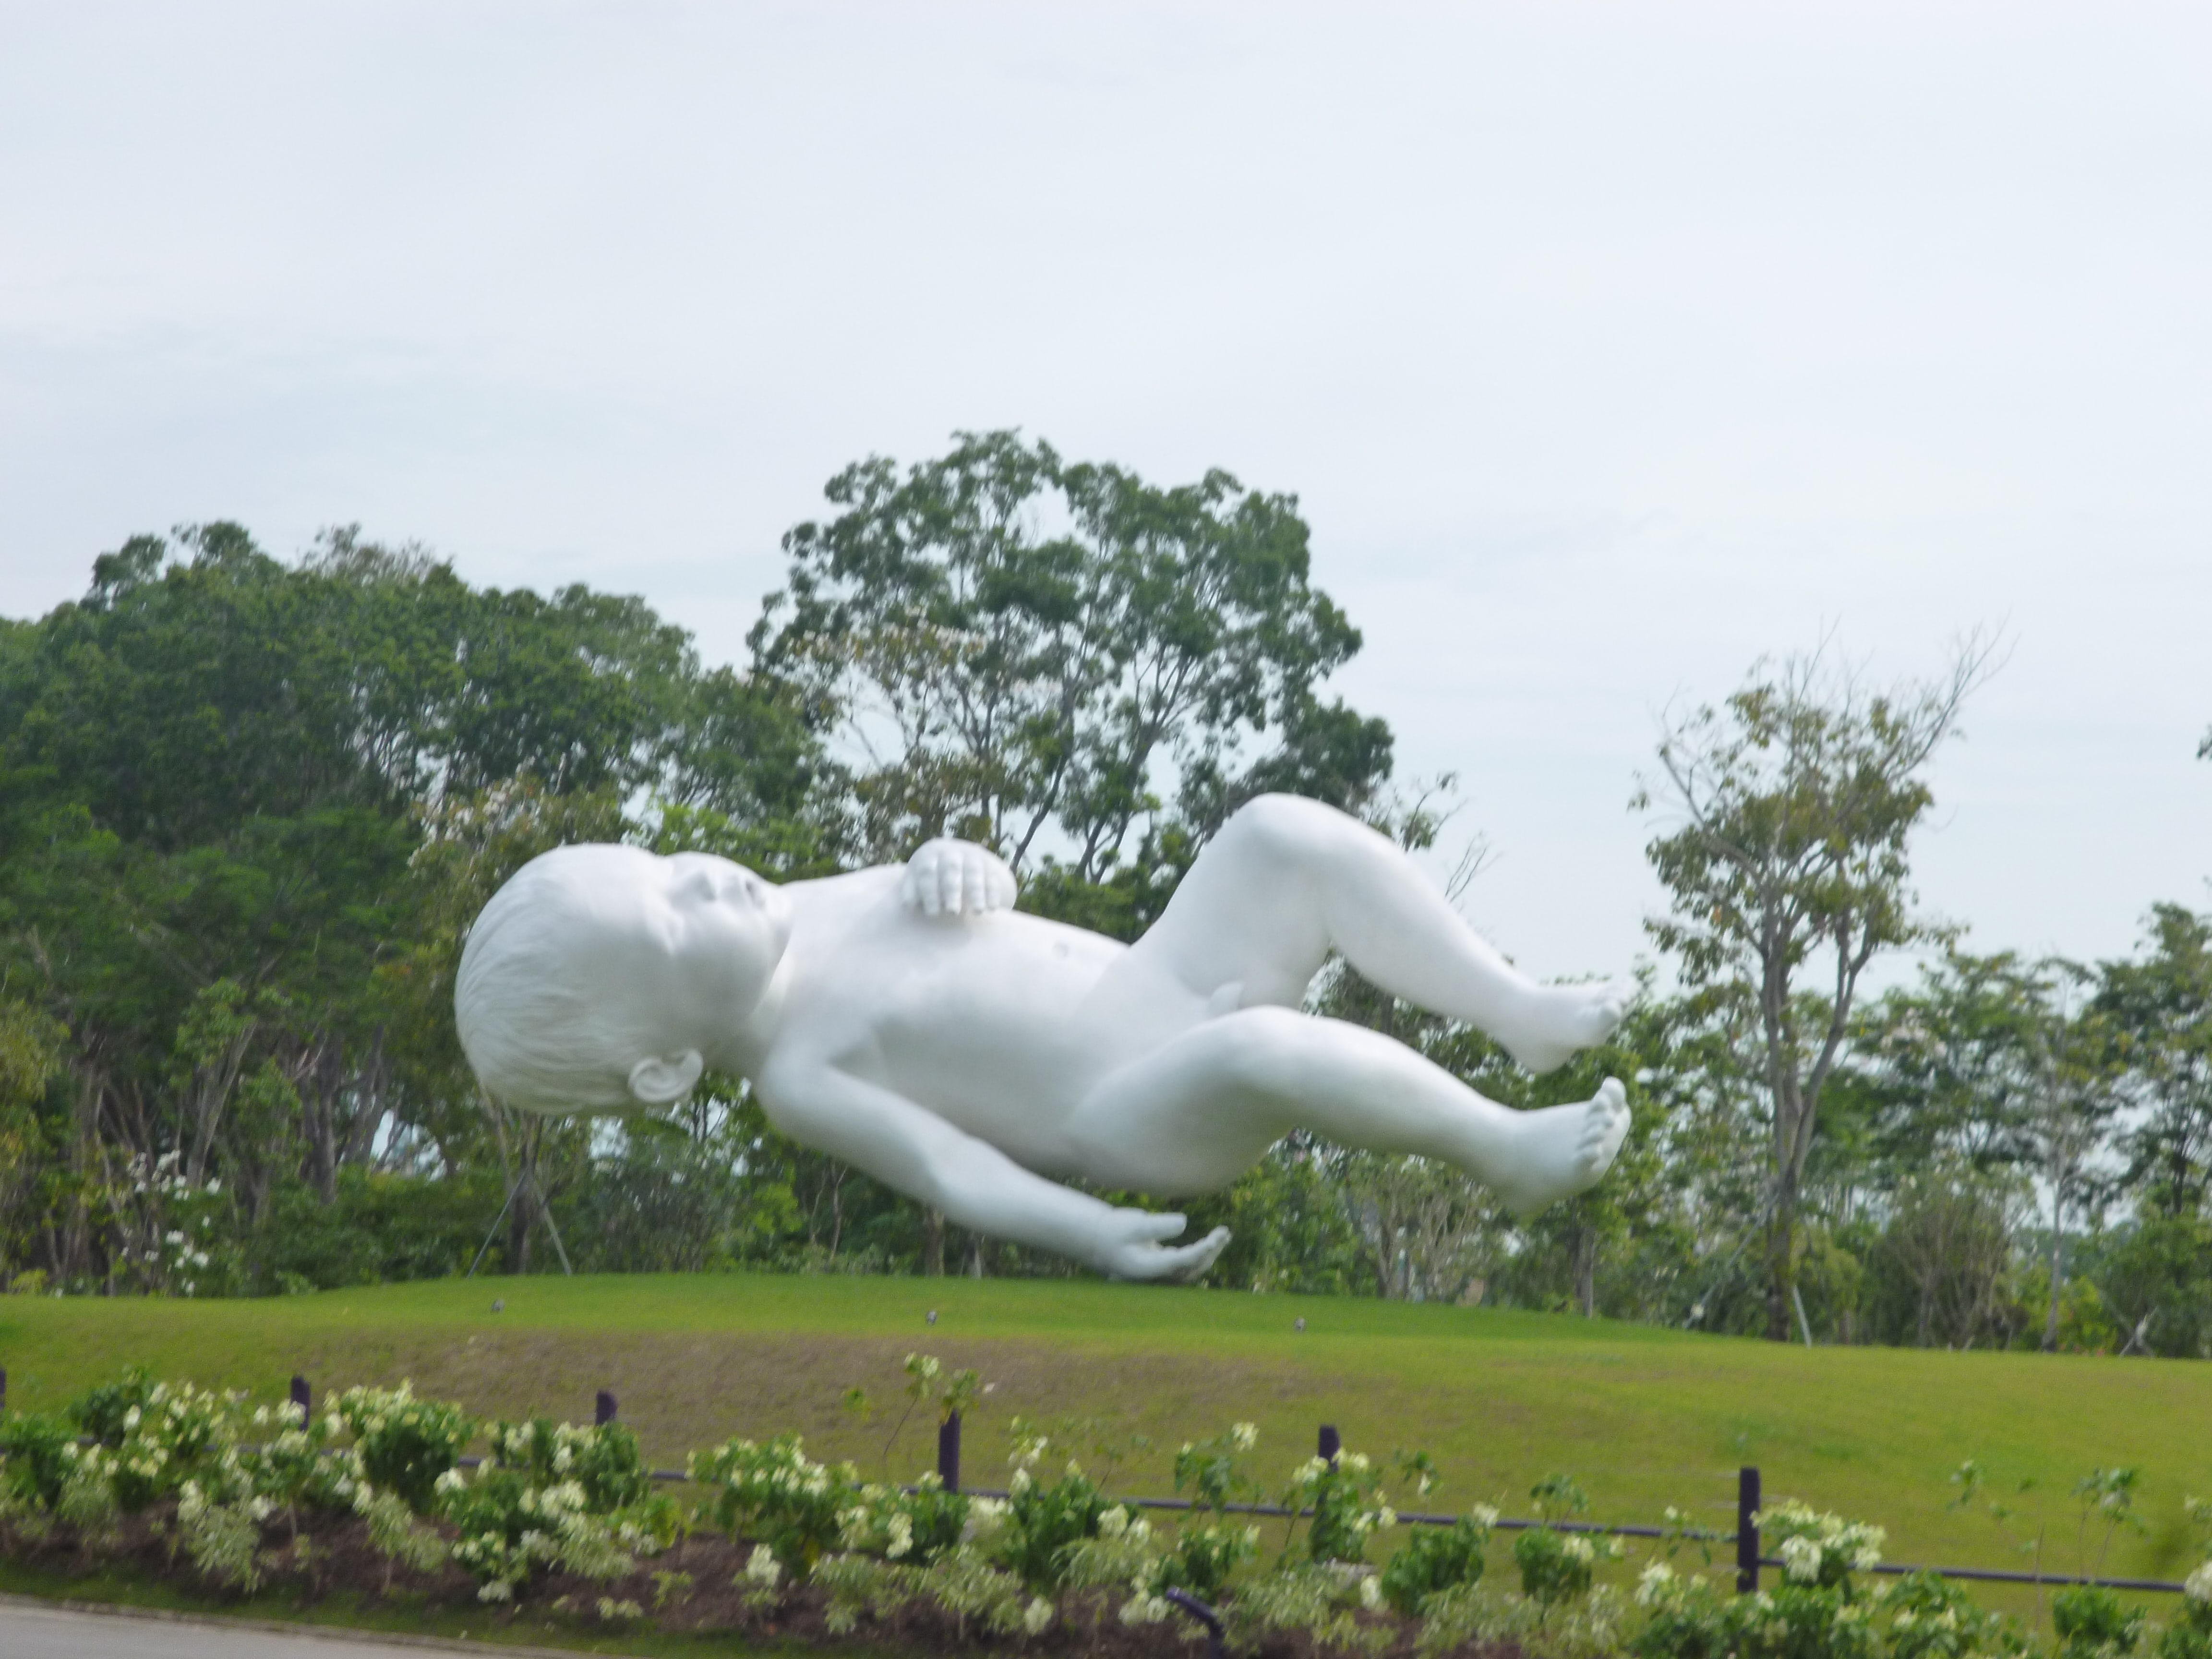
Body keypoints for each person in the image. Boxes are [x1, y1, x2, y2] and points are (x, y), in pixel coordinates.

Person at [456, 793, 1631, 1282]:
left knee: (1281, 835)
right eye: (674, 920)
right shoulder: (803, 1075)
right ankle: (1502, 1149)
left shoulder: (804, 899)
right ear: (667, 1063)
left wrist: (961, 858)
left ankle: (1515, 1012)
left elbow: (964, 891)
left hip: (1160, 974)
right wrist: (1092, 1234)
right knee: (1261, 1047)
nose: (705, 878)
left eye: (667, 869)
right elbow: (952, 1169)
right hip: (1129, 1106)